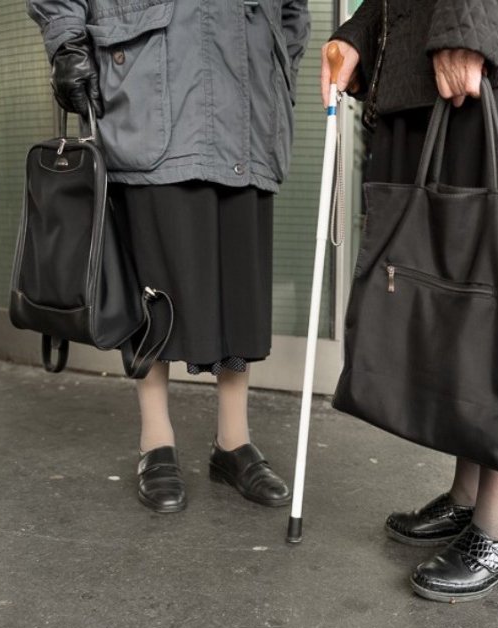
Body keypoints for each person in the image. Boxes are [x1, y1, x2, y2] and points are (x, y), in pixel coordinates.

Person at [322, 0, 498, 601]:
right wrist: (363, 34)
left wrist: (472, 26)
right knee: (462, 288)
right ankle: (471, 495)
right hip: (444, 45)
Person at [27, 0, 310, 513]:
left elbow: (294, 9)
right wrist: (67, 44)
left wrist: (278, 64)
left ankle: (233, 442)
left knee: (236, 290)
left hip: (247, 102)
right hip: (151, 87)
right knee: (148, 286)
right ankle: (155, 441)